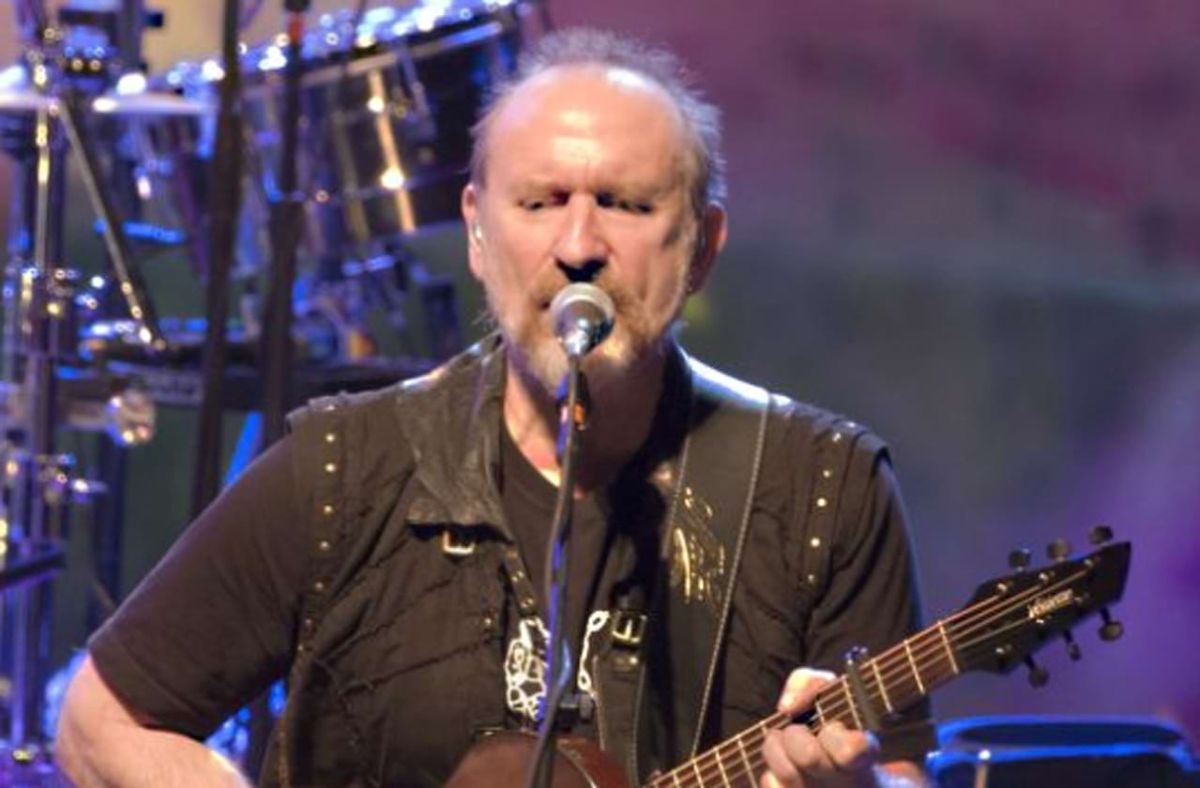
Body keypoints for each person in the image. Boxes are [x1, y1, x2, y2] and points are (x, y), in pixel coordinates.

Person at [56, 28, 934, 787]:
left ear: (701, 246)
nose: (579, 246)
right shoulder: (342, 470)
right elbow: (100, 721)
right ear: (477, 232)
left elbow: (896, 769)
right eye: (541, 202)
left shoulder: (823, 489)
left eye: (626, 205)